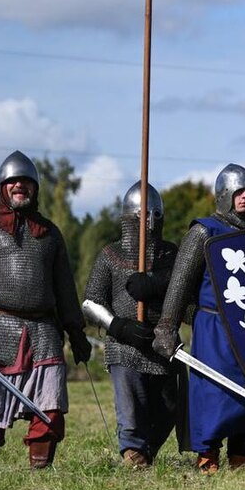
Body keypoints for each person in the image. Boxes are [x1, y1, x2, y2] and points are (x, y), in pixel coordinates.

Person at [0, 151, 89, 468]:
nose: (19, 187)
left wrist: (75, 330)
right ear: (2, 187)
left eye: (25, 182)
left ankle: (40, 467)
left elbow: (65, 287)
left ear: (35, 188)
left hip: (44, 331)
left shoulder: (50, 234)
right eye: (13, 182)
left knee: (50, 406)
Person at [152, 163, 245, 472]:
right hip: (214, 328)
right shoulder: (203, 232)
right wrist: (167, 326)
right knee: (214, 394)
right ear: (224, 196)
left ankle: (240, 459)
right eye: (238, 191)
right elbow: (180, 284)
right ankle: (208, 458)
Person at [81, 182, 179, 468]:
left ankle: (147, 451)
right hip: (125, 347)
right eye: (142, 214)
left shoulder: (171, 256)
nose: (149, 221)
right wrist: (119, 326)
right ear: (130, 217)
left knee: (168, 407)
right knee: (131, 408)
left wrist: (156, 283)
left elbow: (186, 293)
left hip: (161, 343)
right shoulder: (111, 255)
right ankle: (133, 455)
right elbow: (90, 302)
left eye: (154, 214)